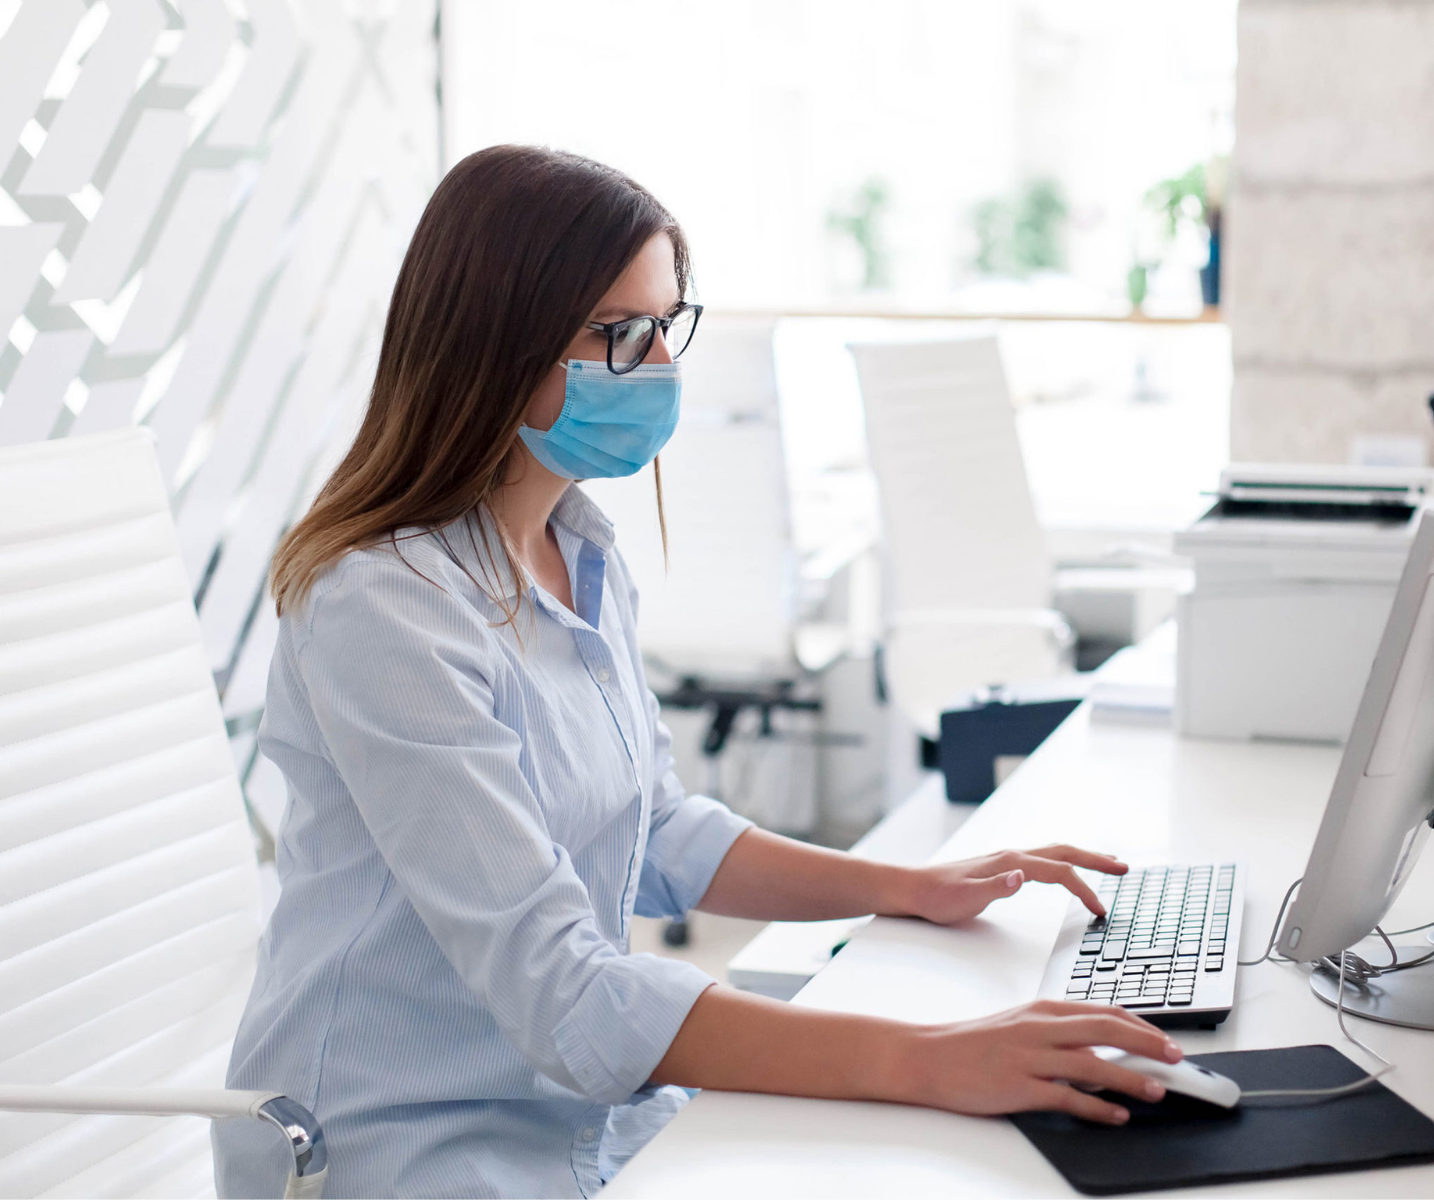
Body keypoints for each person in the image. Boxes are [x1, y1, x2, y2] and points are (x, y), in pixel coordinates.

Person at [216, 145, 1181, 1198]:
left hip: (576, 1114)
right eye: (623, 335)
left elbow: (657, 830)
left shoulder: (578, 550)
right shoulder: (386, 605)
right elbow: (565, 995)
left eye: (670, 325)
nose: (663, 366)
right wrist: (928, 1060)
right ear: (499, 339)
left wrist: (912, 886)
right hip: (396, 1146)